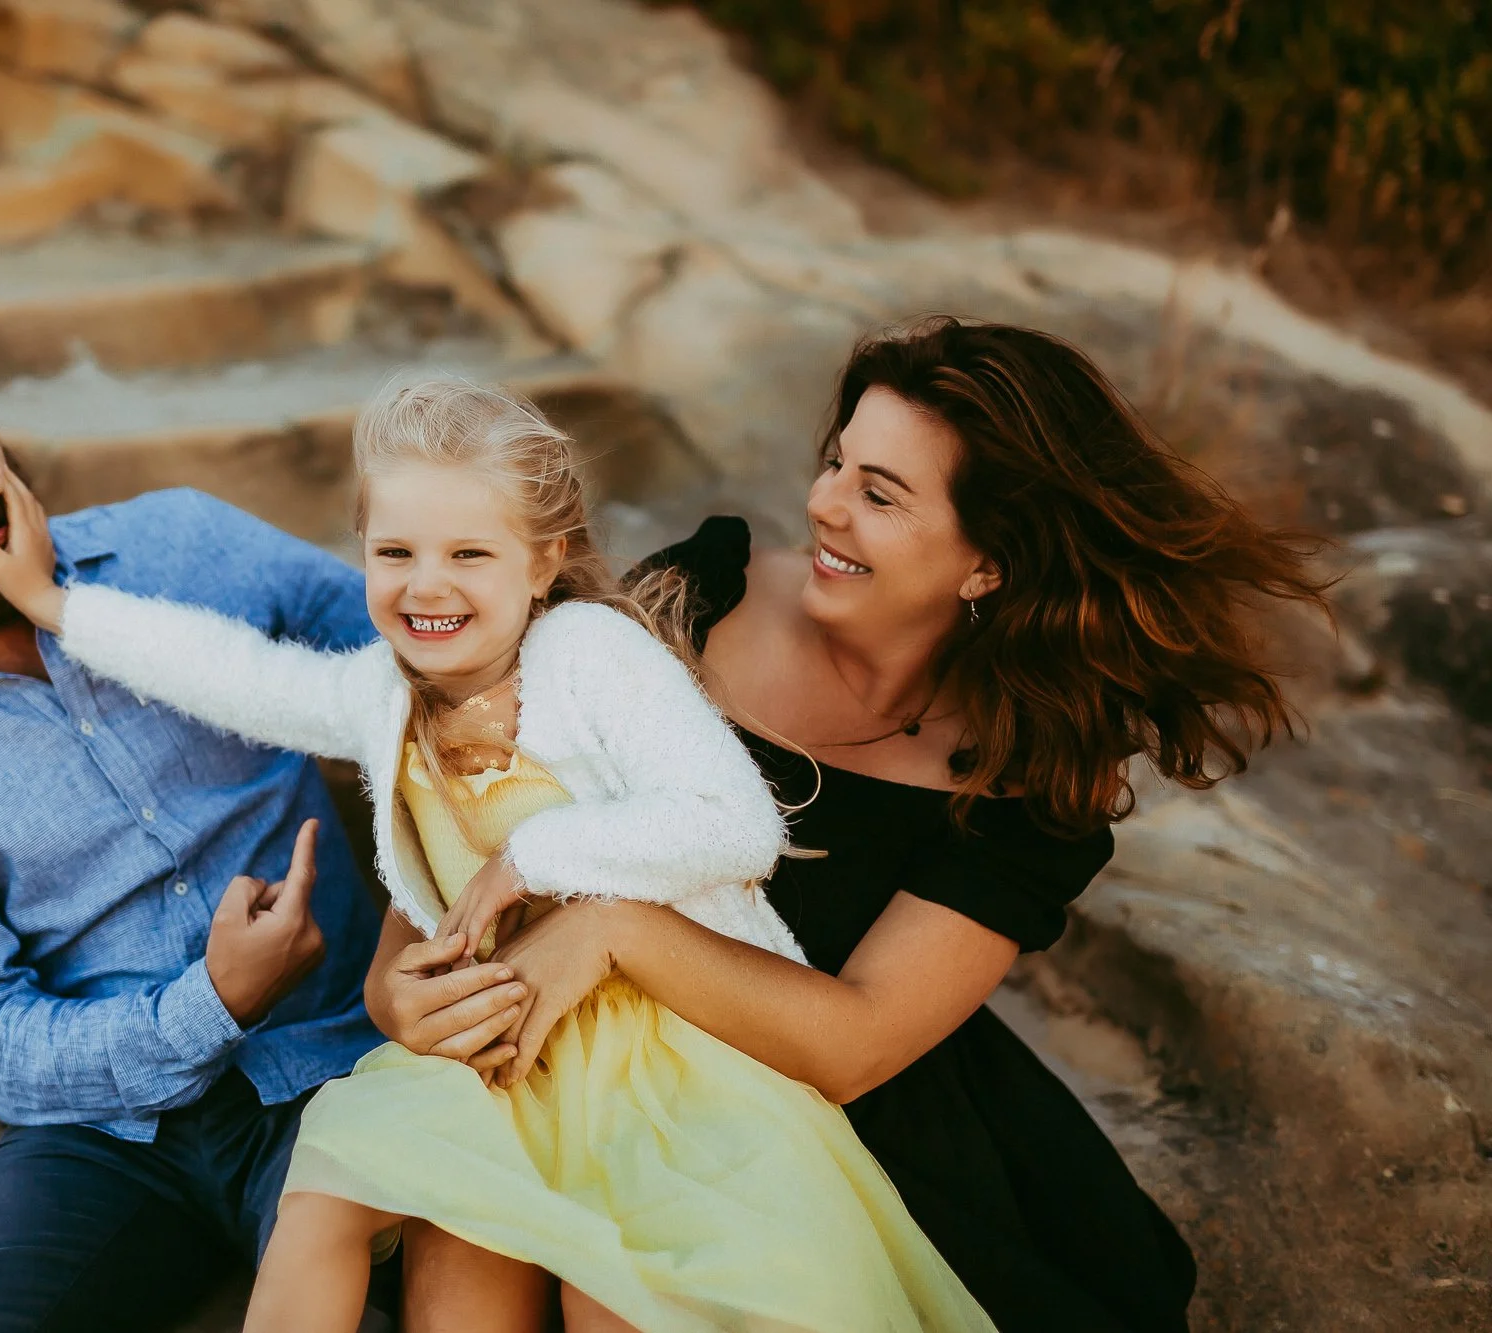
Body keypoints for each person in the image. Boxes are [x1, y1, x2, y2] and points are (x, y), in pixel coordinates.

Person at [0, 376, 996, 1333]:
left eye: (469, 555)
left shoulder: (588, 654)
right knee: (328, 1199)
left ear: (541, 561)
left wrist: (529, 856)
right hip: (495, 1048)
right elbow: (239, 671)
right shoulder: (381, 693)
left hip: (661, 1042)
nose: (428, 587)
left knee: (625, 1287)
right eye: (395, 553)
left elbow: (736, 822)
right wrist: (59, 608)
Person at [386, 316, 1332, 1332]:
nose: (821, 503)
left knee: (627, 1284)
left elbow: (855, 1043)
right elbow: (486, 782)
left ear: (987, 564)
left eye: (878, 494)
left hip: (838, 1119)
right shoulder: (697, 596)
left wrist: (614, 927)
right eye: (836, 462)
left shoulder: (1033, 774)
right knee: (465, 1221)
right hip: (588, 1058)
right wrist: (397, 977)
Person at [0, 285, 405, 1332]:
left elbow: (408, 666)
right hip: (100, 1137)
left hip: (333, 1062)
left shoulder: (183, 545)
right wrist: (207, 1003)